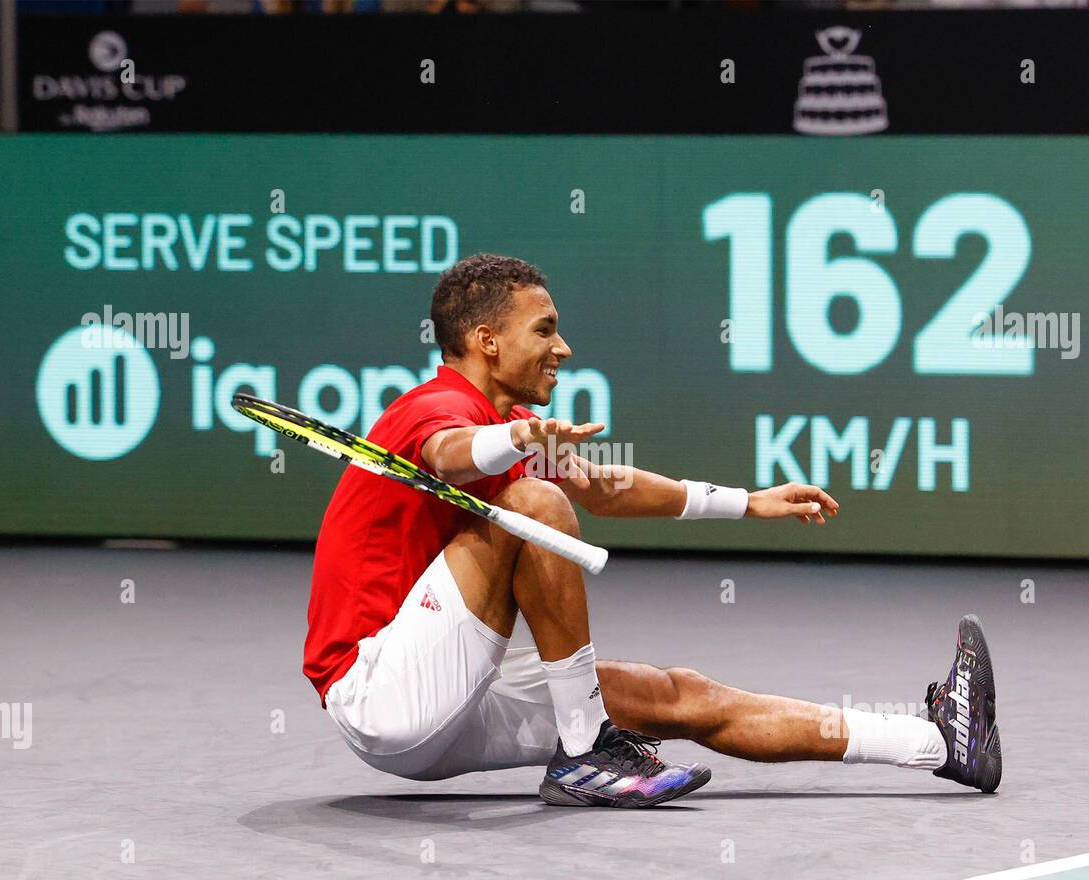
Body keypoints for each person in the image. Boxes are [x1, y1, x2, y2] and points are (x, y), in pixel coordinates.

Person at [304, 253, 1002, 807]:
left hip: (451, 697)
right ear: (486, 341)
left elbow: (610, 489)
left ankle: (940, 744)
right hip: (379, 688)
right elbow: (443, 456)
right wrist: (517, 440)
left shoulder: (508, 429)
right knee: (535, 502)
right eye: (544, 330)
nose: (564, 348)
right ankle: (585, 752)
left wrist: (748, 503)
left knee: (678, 694)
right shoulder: (438, 406)